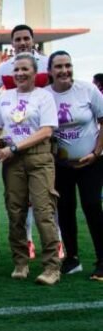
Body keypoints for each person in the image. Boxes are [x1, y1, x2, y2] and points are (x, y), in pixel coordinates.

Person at [0, 53, 61, 285]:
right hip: (12, 161)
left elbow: (46, 131)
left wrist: (14, 148)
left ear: (34, 72)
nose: (20, 73)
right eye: (17, 70)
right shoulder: (4, 97)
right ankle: (20, 262)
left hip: (38, 157)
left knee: (43, 212)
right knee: (15, 212)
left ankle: (51, 267)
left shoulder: (44, 96)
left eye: (25, 69)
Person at [46, 51, 103, 280]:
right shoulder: (45, 95)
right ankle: (72, 259)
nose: (64, 70)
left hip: (91, 162)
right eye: (58, 66)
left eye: (68, 65)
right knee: (65, 209)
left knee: (92, 206)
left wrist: (96, 152)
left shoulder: (88, 90)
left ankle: (102, 260)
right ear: (50, 71)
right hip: (61, 165)